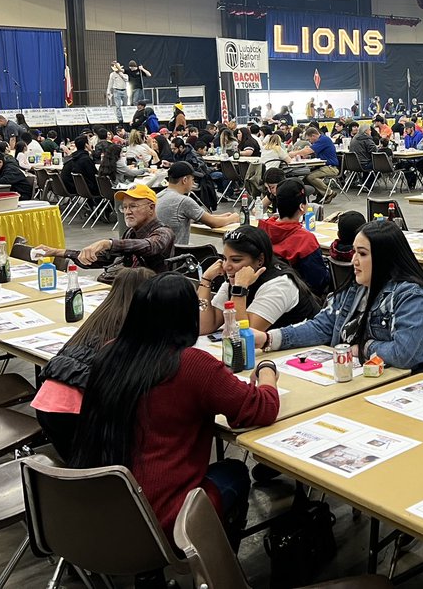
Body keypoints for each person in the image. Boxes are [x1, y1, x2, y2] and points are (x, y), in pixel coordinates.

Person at [71, 273, 279, 543]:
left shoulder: (109, 353)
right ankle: (218, 571)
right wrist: (267, 373)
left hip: (95, 507)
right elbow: (262, 409)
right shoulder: (192, 365)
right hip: (163, 518)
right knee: (234, 471)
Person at [251, 220, 423, 376]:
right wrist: (269, 339)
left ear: (384, 258)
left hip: (401, 385)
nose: (354, 260)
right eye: (354, 252)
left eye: (362, 254)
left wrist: (364, 347)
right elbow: (321, 326)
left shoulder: (410, 295)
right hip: (358, 378)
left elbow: (406, 354)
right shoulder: (356, 288)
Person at [31, 267, 153, 459]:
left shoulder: (101, 317)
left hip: (47, 403)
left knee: (77, 462)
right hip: (75, 411)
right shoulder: (131, 326)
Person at [35, 184, 175, 279]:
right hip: (126, 289)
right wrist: (57, 252)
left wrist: (108, 243)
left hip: (152, 295)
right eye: (124, 207)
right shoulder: (131, 233)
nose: (127, 212)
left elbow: (150, 246)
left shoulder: (163, 232)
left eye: (133, 206)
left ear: (151, 208)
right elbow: (104, 259)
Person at [198, 226, 321, 332]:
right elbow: (204, 327)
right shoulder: (235, 278)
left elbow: (242, 336)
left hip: (304, 354)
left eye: (236, 260)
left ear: (260, 260)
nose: (226, 266)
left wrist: (239, 289)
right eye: (224, 258)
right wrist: (206, 280)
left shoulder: (280, 284)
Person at [257, 179, 331, 297]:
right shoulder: (305, 240)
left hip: (264, 290)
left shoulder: (262, 228)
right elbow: (318, 280)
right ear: (302, 207)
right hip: (299, 298)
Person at [155, 163, 237, 246]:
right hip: (176, 253)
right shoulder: (183, 201)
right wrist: (232, 218)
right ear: (185, 180)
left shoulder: (159, 196)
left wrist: (221, 216)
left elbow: (196, 217)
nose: (193, 182)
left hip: (160, 251)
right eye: (193, 179)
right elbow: (214, 223)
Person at [301, 125, 340, 200]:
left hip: (331, 167)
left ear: (313, 136)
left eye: (309, 139)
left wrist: (294, 153)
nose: (310, 142)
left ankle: (329, 193)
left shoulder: (324, 140)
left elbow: (309, 151)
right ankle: (320, 194)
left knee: (311, 177)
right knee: (305, 178)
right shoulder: (319, 142)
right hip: (323, 166)